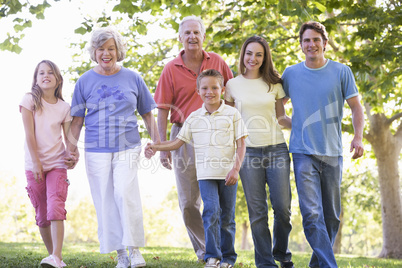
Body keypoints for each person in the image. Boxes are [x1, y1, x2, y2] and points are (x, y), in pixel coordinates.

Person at [66, 27, 160, 268]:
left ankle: (135, 249)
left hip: (127, 146)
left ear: (119, 51)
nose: (106, 53)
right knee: (105, 199)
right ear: (94, 52)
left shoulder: (133, 78)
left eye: (111, 48)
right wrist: (71, 148)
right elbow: (77, 120)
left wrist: (158, 144)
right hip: (96, 149)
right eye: (101, 49)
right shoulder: (85, 81)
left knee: (124, 193)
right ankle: (120, 253)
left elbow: (148, 114)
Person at [282, 21, 364, 268]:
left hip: (332, 153)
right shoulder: (291, 73)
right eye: (306, 40)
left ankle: (317, 265)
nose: (311, 44)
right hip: (302, 152)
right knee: (311, 214)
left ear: (325, 43)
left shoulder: (341, 71)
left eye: (316, 39)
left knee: (331, 217)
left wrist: (358, 137)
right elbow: (278, 107)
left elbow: (356, 107)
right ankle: (330, 266)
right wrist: (293, 125)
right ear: (301, 45)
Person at [146, 69, 247, 268]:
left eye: (214, 88)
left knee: (227, 216)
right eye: (205, 88)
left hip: (228, 174)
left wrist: (236, 169)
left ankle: (228, 258)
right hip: (206, 174)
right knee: (210, 211)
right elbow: (177, 142)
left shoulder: (232, 113)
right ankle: (212, 256)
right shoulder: (193, 117)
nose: (210, 92)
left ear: (222, 89)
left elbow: (241, 144)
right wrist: (156, 146)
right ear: (198, 91)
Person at [154, 15, 233, 261]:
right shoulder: (171, 68)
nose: (191, 37)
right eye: (186, 33)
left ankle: (217, 252)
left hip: (217, 136)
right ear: (180, 37)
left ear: (203, 36)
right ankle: (205, 249)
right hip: (184, 136)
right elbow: (163, 109)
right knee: (189, 202)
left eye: (196, 32)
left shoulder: (218, 62)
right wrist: (163, 147)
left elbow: (232, 98)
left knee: (218, 201)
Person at [225, 36, 294, 268]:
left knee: (283, 208)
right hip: (248, 153)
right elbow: (229, 122)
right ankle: (265, 263)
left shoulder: (274, 84)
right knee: (257, 212)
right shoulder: (232, 85)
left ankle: (282, 252)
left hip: (276, 149)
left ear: (265, 58)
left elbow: (281, 118)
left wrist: (305, 126)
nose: (253, 58)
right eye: (249, 53)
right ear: (243, 55)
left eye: (259, 54)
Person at [20, 60, 76, 268]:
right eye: (41, 73)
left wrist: (72, 155)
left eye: (50, 73)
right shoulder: (29, 100)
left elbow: (69, 138)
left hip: (57, 165)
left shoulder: (64, 107)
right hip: (34, 164)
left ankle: (57, 257)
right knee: (42, 214)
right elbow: (29, 134)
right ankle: (53, 257)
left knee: (55, 207)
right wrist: (36, 162)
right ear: (36, 79)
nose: (46, 76)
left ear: (58, 79)